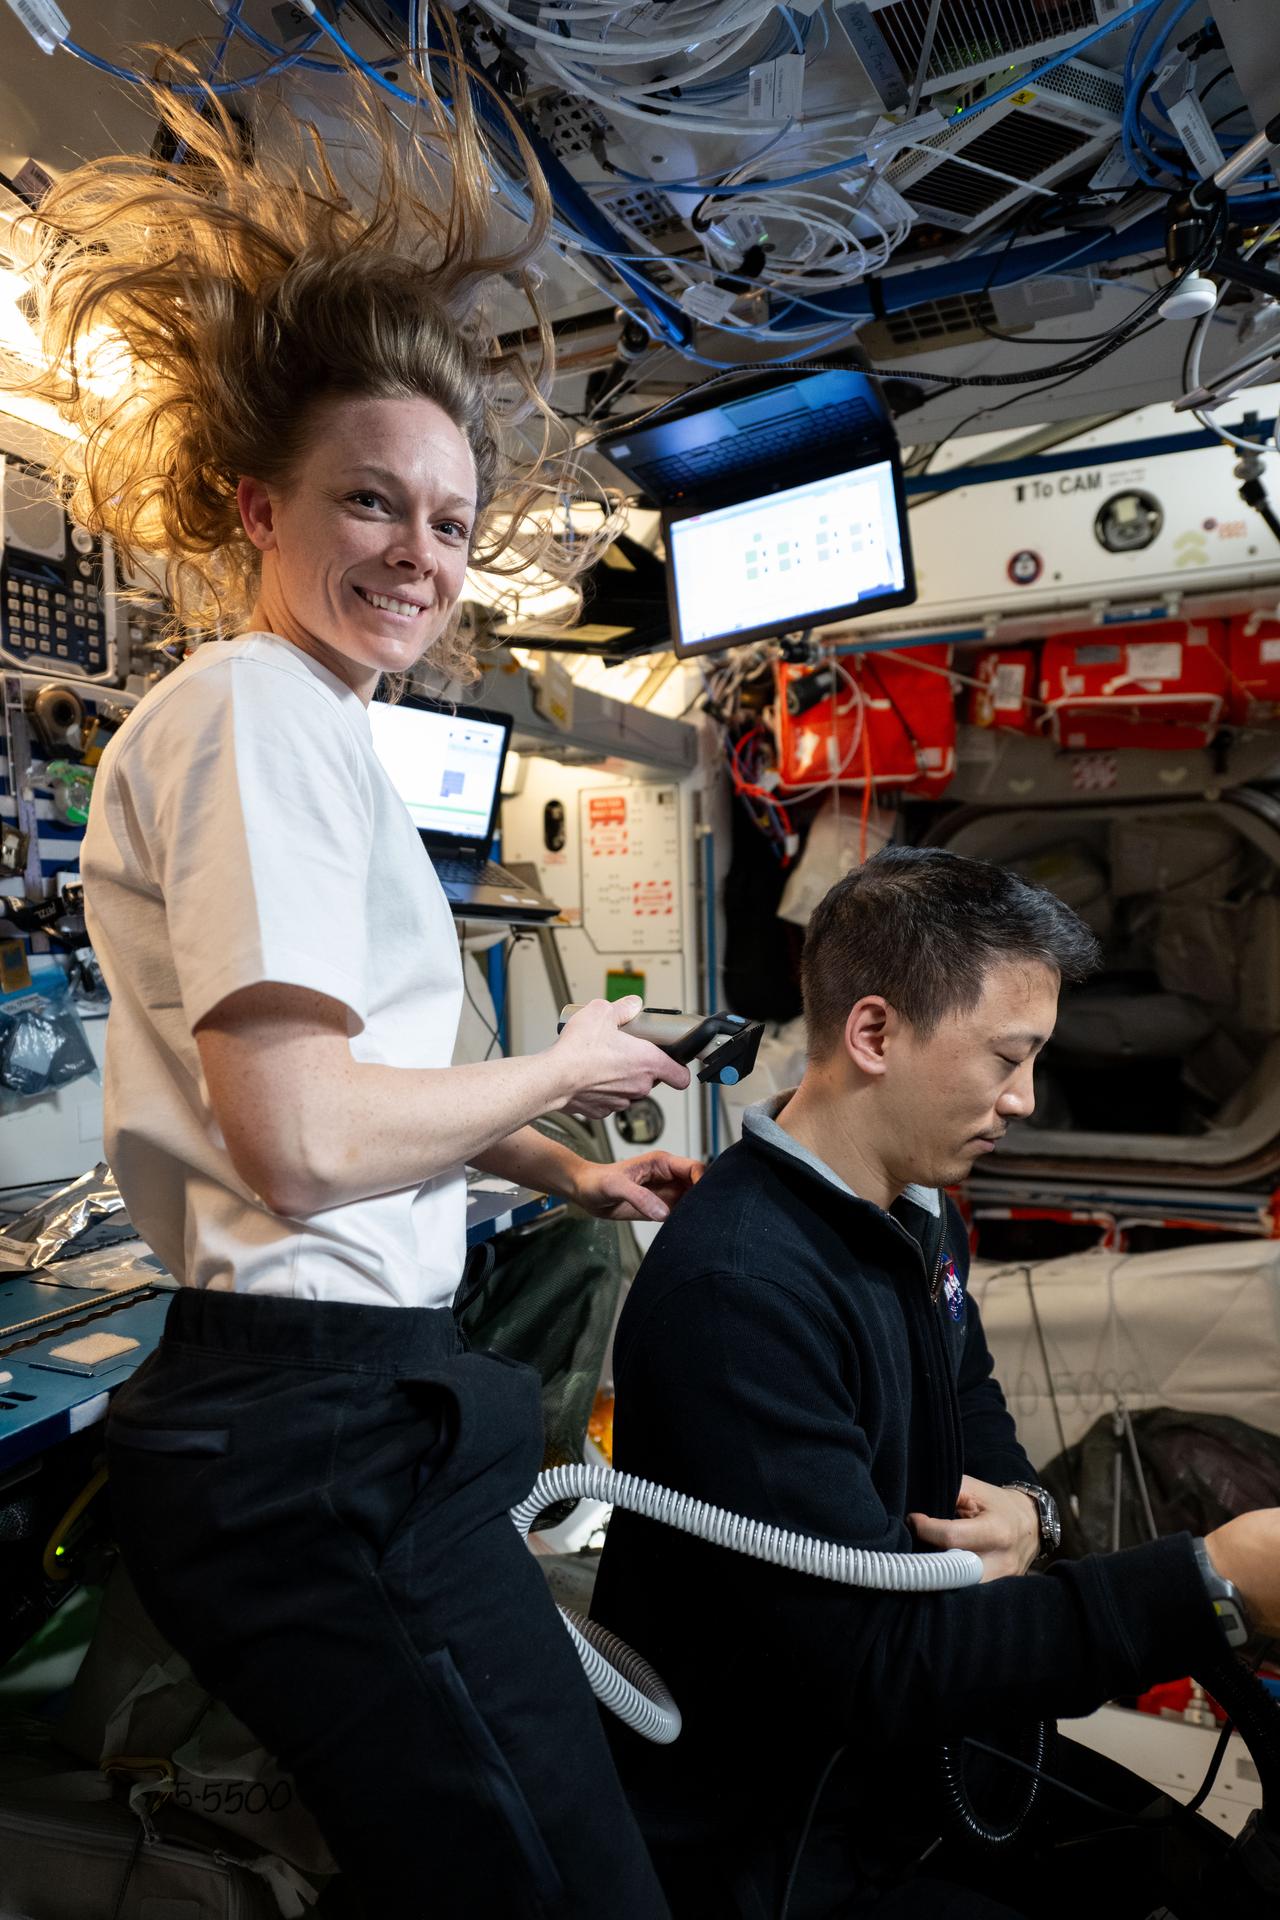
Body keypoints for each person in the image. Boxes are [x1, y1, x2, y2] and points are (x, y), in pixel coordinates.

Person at [22, 46, 693, 1919]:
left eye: (452, 523)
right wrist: (557, 1069)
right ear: (257, 507)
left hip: (323, 1406)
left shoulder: (288, 724)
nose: (419, 555)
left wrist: (559, 1171)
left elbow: (343, 1132)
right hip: (318, 1432)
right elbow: (303, 1145)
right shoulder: (257, 712)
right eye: (372, 502)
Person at [590, 845, 1280, 1919]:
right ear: (872, 1033)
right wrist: (1207, 1586)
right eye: (1005, 1057)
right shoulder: (737, 1293)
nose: (1023, 1099)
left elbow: (967, 1408)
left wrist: (1032, 1514)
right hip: (790, 1834)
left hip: (921, 1765)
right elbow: (879, 1667)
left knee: (1200, 1863)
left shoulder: (915, 1212)